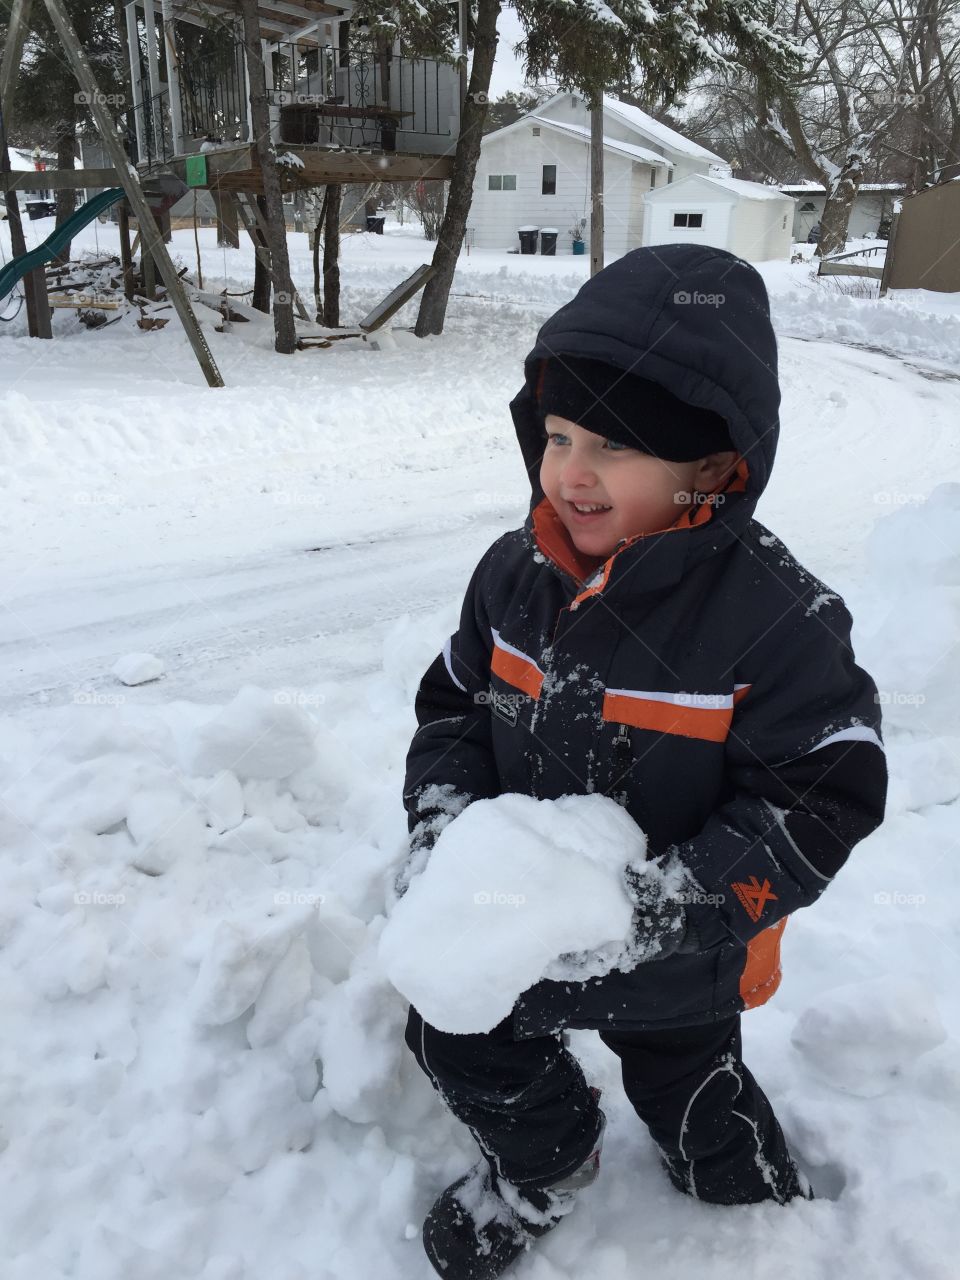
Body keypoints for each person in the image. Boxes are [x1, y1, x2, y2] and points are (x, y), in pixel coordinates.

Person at [395, 244, 888, 1280]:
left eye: (613, 444)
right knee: (451, 1032)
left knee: (692, 1093)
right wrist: (444, 832)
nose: (571, 471)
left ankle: (749, 1194)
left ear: (709, 467)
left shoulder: (776, 618)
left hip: (682, 954)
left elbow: (823, 791)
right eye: (558, 436)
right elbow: (455, 707)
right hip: (519, 933)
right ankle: (546, 1161)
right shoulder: (513, 576)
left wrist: (665, 908)